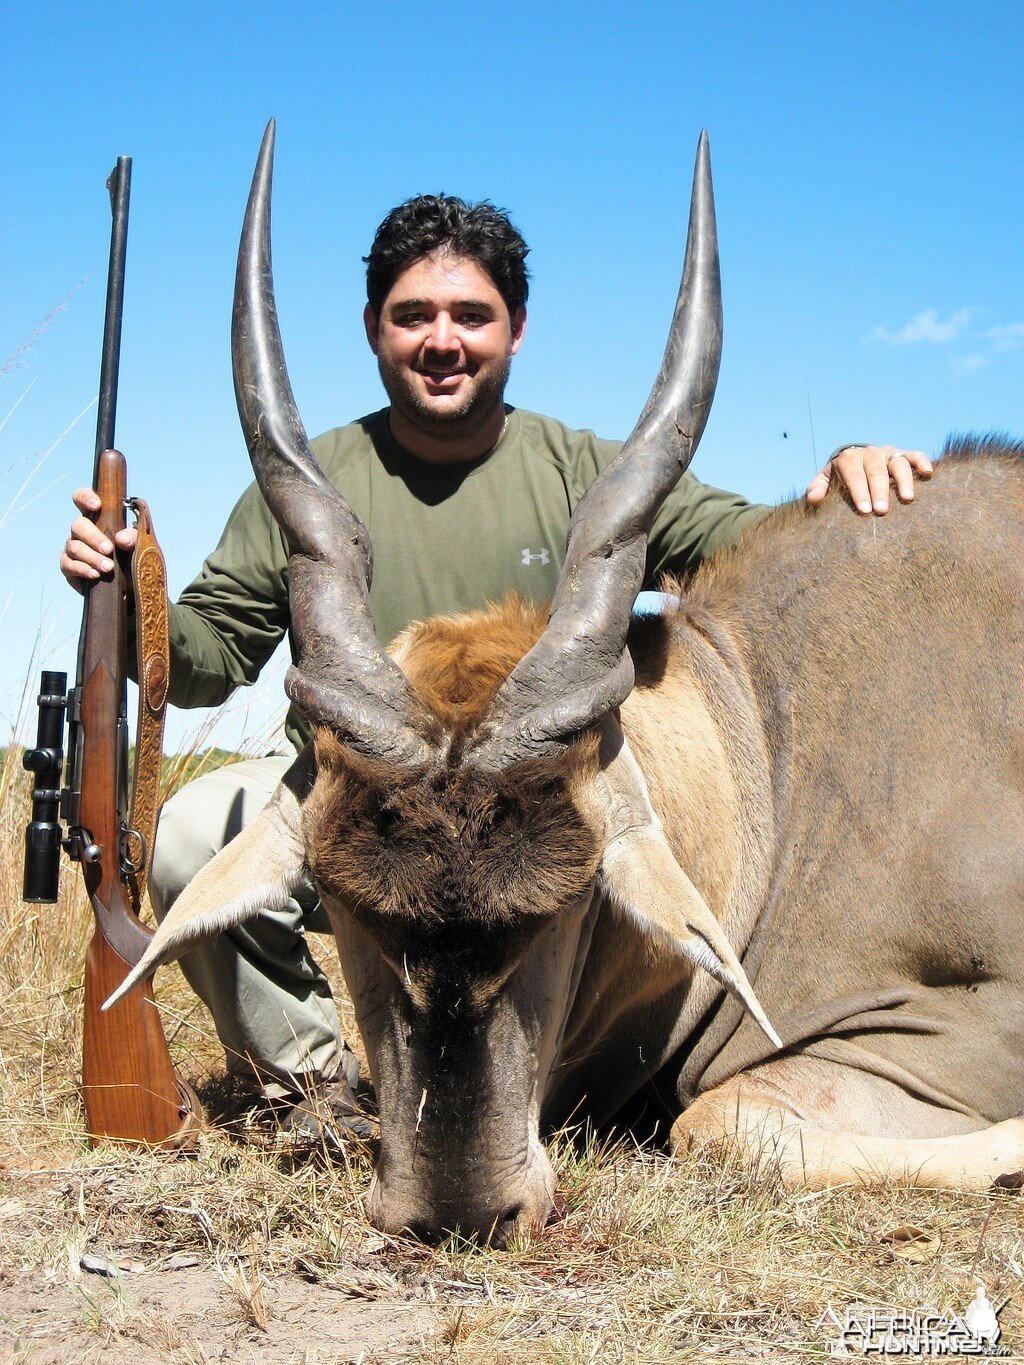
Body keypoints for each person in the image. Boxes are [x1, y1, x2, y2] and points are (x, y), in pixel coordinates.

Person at [60, 194, 932, 1140]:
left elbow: (749, 550)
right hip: (371, 827)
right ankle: (325, 1093)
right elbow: (206, 655)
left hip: (524, 842)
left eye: (471, 316)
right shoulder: (308, 482)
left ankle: (553, 1085)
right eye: (413, 316)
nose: (443, 341)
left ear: (515, 328)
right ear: (372, 330)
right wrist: (126, 595)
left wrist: (841, 477)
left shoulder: (584, 471)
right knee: (191, 833)